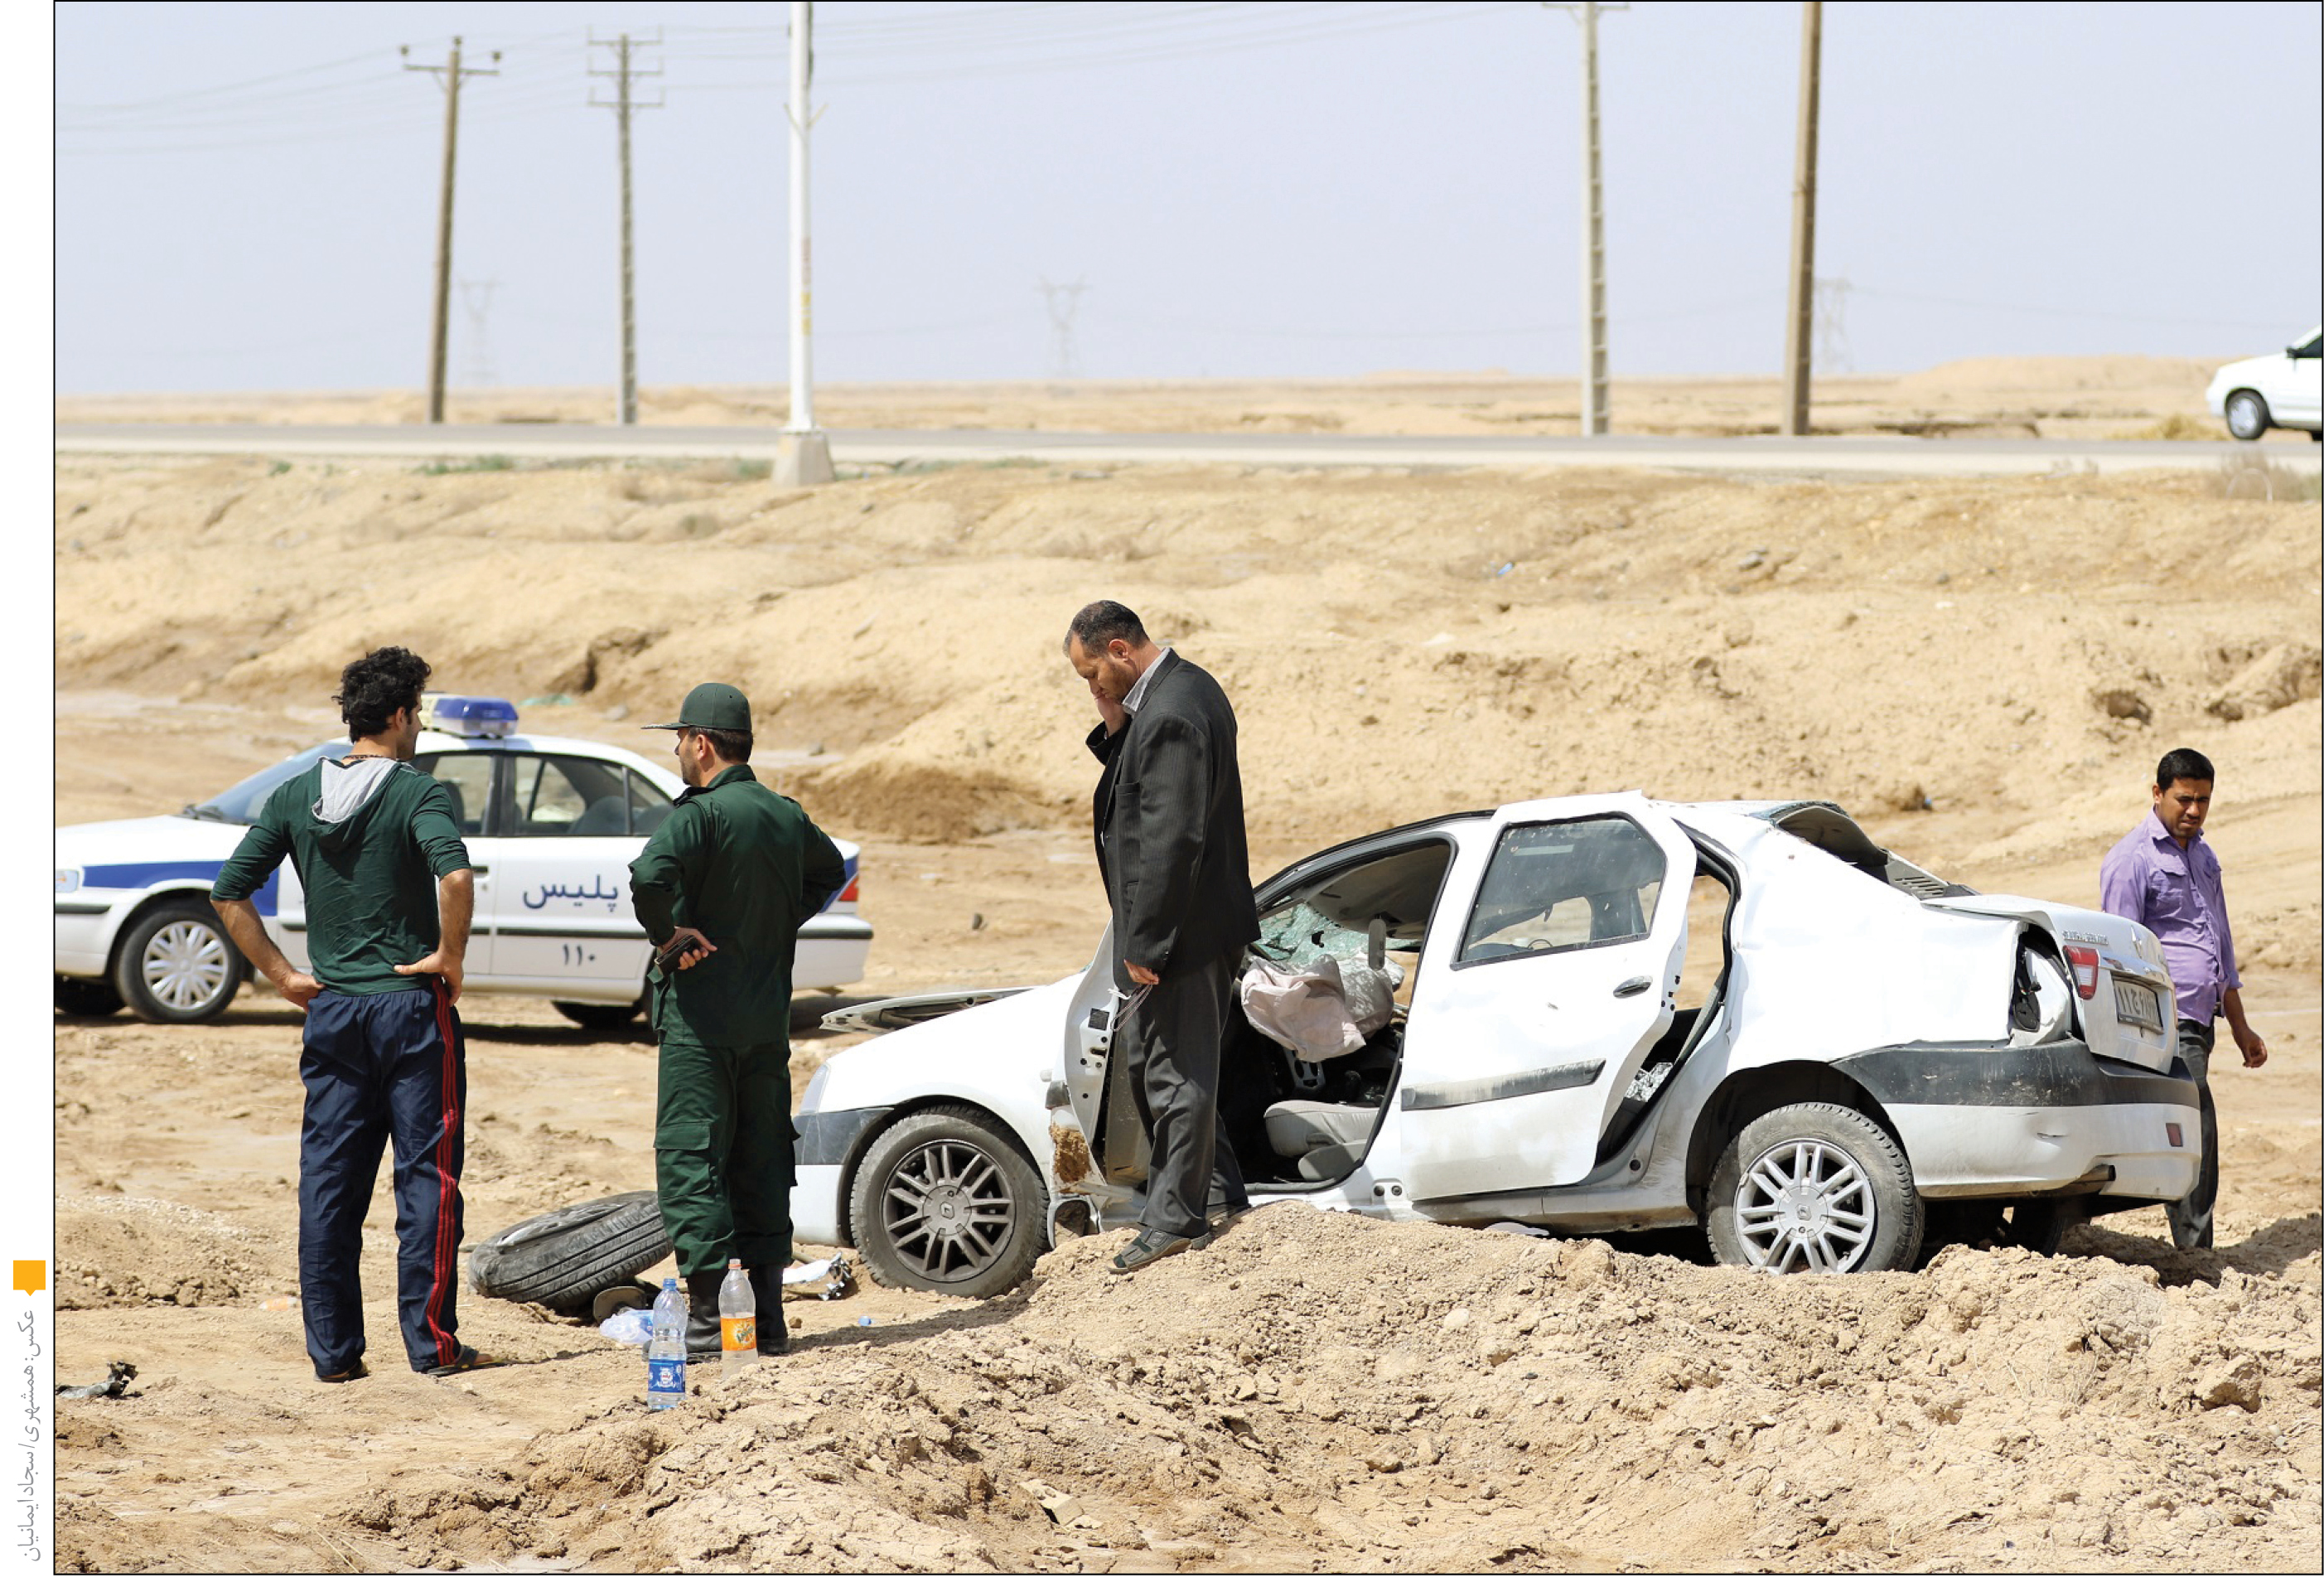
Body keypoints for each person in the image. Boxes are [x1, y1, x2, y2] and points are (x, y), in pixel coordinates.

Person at [211, 646, 489, 1382]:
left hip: (332, 1008)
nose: (420, 725)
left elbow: (228, 892)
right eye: (419, 713)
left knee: (329, 1184)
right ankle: (432, 1345)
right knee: (427, 1180)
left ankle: (334, 1355)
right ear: (398, 715)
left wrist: (280, 974)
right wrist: (449, 955)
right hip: (408, 1008)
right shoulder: (415, 791)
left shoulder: (296, 793)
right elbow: (455, 874)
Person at [631, 682, 847, 1359]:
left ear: (701, 743)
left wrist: (670, 936)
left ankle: (704, 1322)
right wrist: (778, 917)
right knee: (760, 1159)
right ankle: (768, 1319)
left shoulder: (699, 816)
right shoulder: (782, 815)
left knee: (692, 1158)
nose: (675, 751)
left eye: (678, 741)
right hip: (764, 1026)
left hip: (699, 1026)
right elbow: (828, 869)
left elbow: (647, 879)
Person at [1065, 601, 1260, 1273]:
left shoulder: (1174, 711)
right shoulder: (1182, 689)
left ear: (1120, 649)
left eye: (1093, 672)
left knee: (1169, 1072)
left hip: (1180, 931)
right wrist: (1115, 724)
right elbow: (1143, 791)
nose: (1091, 687)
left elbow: (1173, 838)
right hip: (1189, 924)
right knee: (1175, 1065)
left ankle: (1176, 1218)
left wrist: (1146, 943)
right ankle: (1217, 1194)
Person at [2099, 747, 2269, 1251]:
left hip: (2203, 1018)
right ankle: (2195, 1253)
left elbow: (2219, 940)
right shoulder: (2131, 860)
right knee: (2198, 1128)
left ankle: (2193, 1246)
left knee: (2188, 1129)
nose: (2194, 810)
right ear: (2157, 793)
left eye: (2203, 801)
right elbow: (2119, 954)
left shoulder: (2203, 853)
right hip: (2166, 1022)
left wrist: (2240, 1026)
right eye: (2184, 799)